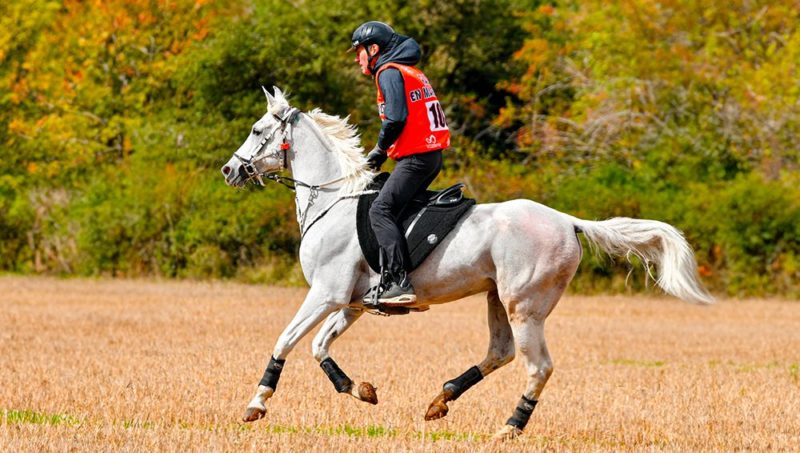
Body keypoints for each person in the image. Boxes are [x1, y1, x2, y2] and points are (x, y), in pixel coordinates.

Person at [349, 21, 450, 305]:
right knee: (396, 209)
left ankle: (398, 281)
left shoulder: (388, 72)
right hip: (429, 156)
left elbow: (395, 119)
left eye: (359, 51)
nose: (357, 58)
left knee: (380, 209)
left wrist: (379, 151)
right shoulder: (410, 71)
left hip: (416, 158)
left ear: (374, 49)